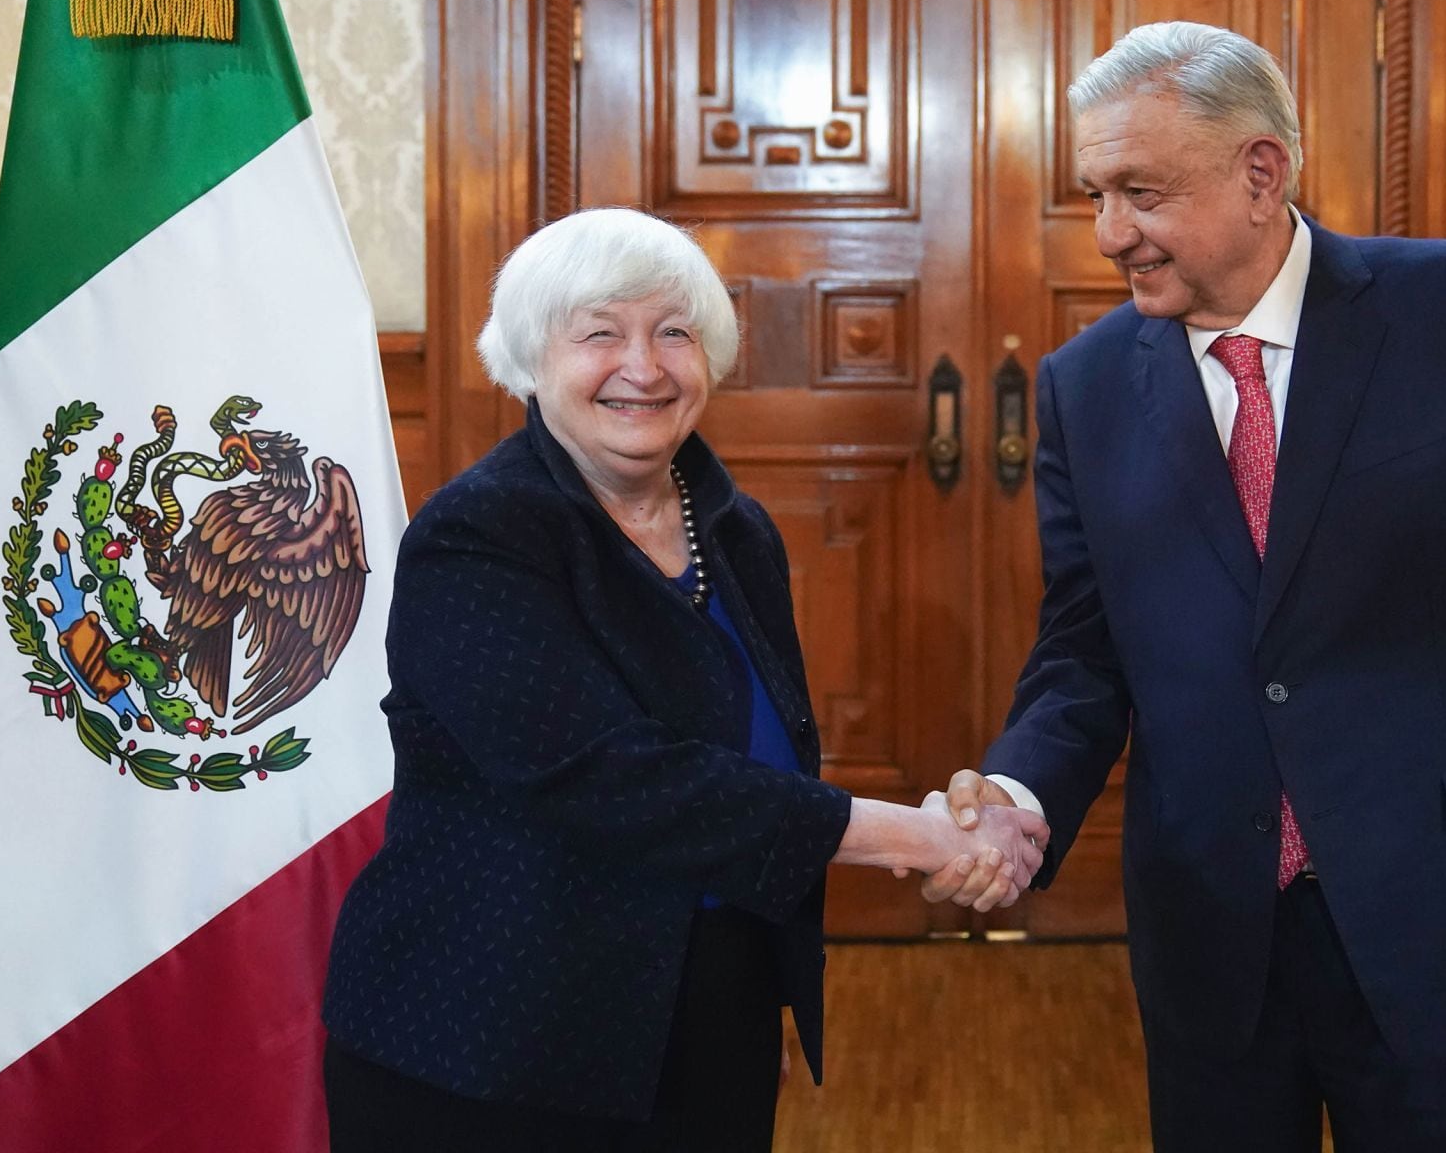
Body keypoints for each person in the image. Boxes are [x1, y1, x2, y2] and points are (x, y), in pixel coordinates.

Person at [923, 22, 1446, 1151]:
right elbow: (1084, 651)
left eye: (1139, 192)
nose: (1109, 233)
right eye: (1095, 193)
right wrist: (1020, 794)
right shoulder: (1087, 384)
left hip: (1436, 910)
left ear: (1263, 171)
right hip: (1212, 934)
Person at [320, 207, 1046, 1152]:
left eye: (675, 331)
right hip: (492, 1042)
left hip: (699, 1019)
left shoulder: (734, 529)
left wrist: (747, 994)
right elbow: (612, 779)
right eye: (600, 335)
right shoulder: (478, 538)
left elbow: (758, 759)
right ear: (531, 360)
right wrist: (910, 835)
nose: (646, 366)